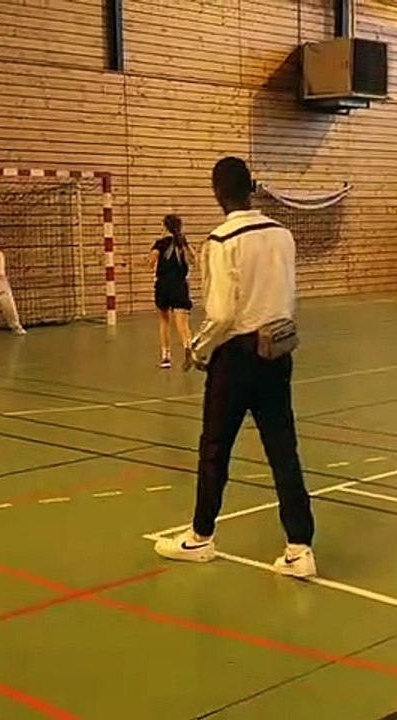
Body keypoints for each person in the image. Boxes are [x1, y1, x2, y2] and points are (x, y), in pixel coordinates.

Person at [154, 156, 316, 578]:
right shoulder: (283, 234)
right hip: (277, 352)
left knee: (214, 449)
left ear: (217, 192)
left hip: (237, 358)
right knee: (284, 450)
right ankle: (300, 548)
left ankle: (200, 537)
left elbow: (222, 313)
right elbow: (288, 294)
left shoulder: (222, 240)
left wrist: (198, 350)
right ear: (252, 188)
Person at [148, 214, 195, 369]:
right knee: (182, 322)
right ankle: (189, 349)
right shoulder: (183, 243)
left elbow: (151, 261)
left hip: (164, 286)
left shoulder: (160, 244)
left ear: (165, 227)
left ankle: (166, 356)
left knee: (164, 321)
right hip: (180, 285)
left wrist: (144, 262)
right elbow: (194, 258)